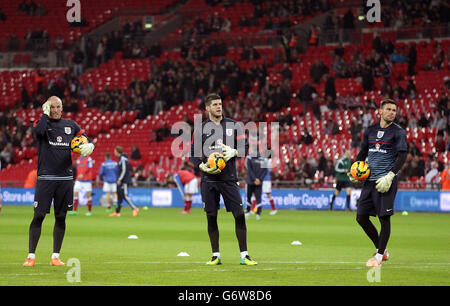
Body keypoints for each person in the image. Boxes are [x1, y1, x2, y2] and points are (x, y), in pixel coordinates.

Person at [23, 96, 95, 267]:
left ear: (62, 108)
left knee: (61, 217)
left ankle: (55, 256)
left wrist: (90, 145)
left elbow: (84, 138)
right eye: (52, 107)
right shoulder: (41, 123)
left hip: (65, 179)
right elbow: (38, 132)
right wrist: (44, 115)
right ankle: (31, 256)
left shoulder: (71, 125)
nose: (55, 110)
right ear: (47, 108)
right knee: (39, 216)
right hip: (46, 178)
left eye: (58, 107)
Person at [189, 93, 257, 266]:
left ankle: (245, 255)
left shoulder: (234, 125)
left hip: (229, 179)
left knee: (239, 215)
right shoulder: (201, 129)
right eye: (215, 105)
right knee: (211, 217)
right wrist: (201, 166)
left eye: (220, 104)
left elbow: (245, 147)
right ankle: (215, 255)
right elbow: (193, 154)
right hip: (208, 180)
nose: (219, 107)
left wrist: (235, 151)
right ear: (208, 108)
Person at [348, 99, 407, 268]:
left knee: (384, 218)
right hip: (369, 181)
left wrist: (390, 175)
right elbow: (363, 151)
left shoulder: (398, 132)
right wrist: (354, 170)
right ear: (380, 111)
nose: (391, 112)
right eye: (388, 109)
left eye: (394, 110)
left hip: (385, 181)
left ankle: (379, 257)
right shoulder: (370, 130)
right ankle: (382, 249)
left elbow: (402, 155)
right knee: (361, 217)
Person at [109, 146, 139, 217]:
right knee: (119, 197)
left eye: (114, 151)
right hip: (120, 180)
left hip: (123, 181)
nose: (114, 152)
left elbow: (124, 170)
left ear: (117, 151)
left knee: (125, 195)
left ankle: (135, 208)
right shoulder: (120, 159)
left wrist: (120, 179)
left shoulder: (123, 159)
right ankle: (117, 212)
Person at [244, 152, 267, 220]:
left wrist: (255, 179)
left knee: (249, 197)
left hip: (251, 181)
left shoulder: (249, 158)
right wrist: (259, 179)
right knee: (258, 198)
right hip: (257, 182)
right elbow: (265, 171)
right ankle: (258, 214)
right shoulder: (263, 159)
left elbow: (249, 170)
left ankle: (248, 212)